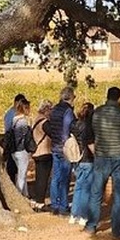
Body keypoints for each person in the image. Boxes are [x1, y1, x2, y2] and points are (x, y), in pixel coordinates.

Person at [85, 86, 120, 240]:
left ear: (106, 96)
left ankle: (91, 226)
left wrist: (96, 151)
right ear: (119, 98)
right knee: (119, 195)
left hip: (101, 157)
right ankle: (117, 231)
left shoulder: (96, 113)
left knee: (96, 193)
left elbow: (88, 136)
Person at [46, 86, 76, 216]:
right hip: (64, 147)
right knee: (65, 178)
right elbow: (67, 129)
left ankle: (54, 204)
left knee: (55, 177)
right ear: (71, 97)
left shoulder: (54, 110)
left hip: (54, 146)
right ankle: (63, 206)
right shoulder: (67, 111)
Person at [69, 102, 95, 226]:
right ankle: (84, 216)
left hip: (77, 158)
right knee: (86, 188)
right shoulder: (89, 127)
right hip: (88, 159)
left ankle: (74, 214)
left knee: (78, 187)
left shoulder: (74, 125)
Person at [30, 99, 54, 209]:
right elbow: (52, 134)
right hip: (45, 152)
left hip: (36, 152)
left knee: (39, 177)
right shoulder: (44, 122)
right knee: (43, 178)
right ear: (47, 109)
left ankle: (37, 200)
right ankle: (40, 202)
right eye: (51, 109)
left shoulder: (36, 119)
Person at [11, 98, 33, 197]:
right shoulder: (23, 122)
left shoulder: (14, 120)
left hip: (14, 150)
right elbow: (25, 138)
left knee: (22, 173)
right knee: (22, 174)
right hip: (22, 150)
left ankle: (25, 193)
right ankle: (19, 194)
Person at [3, 93, 26, 184]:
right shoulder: (12, 114)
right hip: (13, 143)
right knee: (13, 166)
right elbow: (9, 129)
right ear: (16, 102)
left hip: (14, 142)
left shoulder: (12, 113)